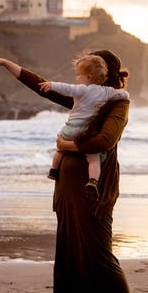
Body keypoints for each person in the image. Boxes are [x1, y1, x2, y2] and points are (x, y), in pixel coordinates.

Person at [0, 49, 139, 293]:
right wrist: (5, 64)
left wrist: (68, 143)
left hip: (94, 189)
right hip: (67, 184)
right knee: (72, 250)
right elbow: (42, 87)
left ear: (103, 74)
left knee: (98, 253)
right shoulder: (86, 98)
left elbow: (106, 141)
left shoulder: (116, 103)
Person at [39, 54, 129, 202]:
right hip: (87, 131)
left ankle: (53, 170)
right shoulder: (106, 93)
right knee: (93, 159)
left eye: (78, 75)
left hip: (72, 127)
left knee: (60, 148)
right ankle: (93, 180)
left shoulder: (83, 90)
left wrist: (51, 84)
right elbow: (123, 94)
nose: (77, 78)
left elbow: (66, 89)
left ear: (87, 77)